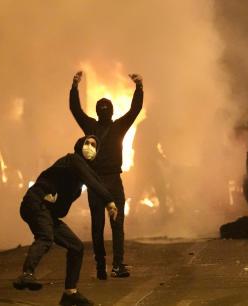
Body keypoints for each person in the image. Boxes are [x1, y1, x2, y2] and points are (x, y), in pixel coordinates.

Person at [13, 135, 118, 306]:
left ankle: (70, 293)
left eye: (93, 145)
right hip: (36, 202)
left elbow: (93, 179)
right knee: (45, 237)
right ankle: (27, 274)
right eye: (87, 143)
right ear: (79, 145)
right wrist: (109, 201)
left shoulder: (79, 177)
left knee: (76, 247)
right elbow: (91, 180)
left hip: (47, 211)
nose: (90, 147)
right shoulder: (73, 160)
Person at [69, 70, 143, 279]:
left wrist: (74, 86)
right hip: (113, 181)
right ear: (110, 112)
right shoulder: (119, 126)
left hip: (94, 182)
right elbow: (135, 109)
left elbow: (75, 109)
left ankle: (100, 267)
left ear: (98, 112)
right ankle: (117, 265)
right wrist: (139, 87)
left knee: (97, 226)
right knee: (117, 225)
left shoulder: (90, 126)